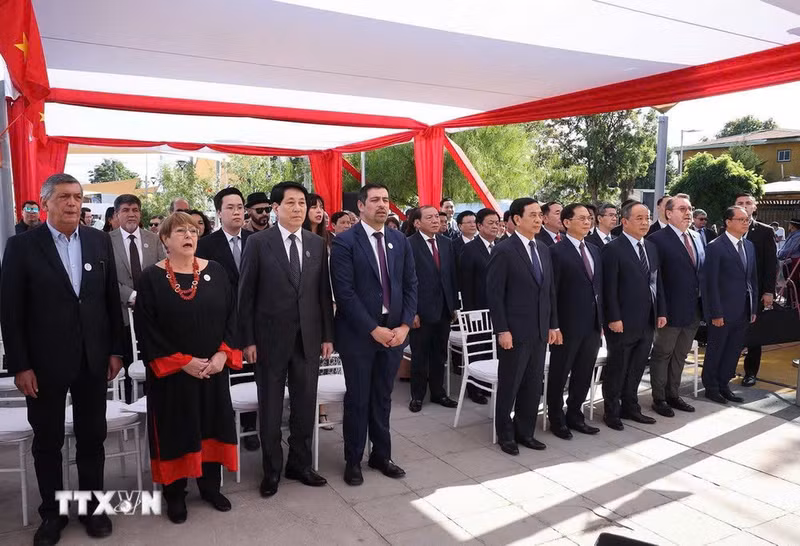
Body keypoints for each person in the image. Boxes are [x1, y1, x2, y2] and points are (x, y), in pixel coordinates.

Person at [0, 174, 125, 544]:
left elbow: (110, 301)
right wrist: (20, 365)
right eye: (64, 197)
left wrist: (116, 350)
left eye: (77, 196)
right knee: (47, 441)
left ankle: (92, 509)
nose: (72, 203)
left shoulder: (98, 241)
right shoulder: (22, 246)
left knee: (92, 437)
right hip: (43, 364)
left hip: (92, 358)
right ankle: (52, 515)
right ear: (45, 203)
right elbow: (11, 311)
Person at [134, 212, 240, 523]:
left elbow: (232, 316)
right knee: (175, 430)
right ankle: (175, 495)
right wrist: (183, 362)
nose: (188, 235)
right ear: (164, 239)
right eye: (180, 231)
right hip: (173, 376)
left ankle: (210, 487)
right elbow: (147, 328)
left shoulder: (216, 271)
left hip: (212, 370)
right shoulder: (151, 278)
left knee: (212, 425)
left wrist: (222, 355)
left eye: (192, 230)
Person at [238, 181, 334, 498]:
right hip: (269, 340)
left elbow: (323, 294)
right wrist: (248, 340)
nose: (298, 208)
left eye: (302, 203)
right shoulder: (258, 243)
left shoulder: (316, 244)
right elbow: (245, 296)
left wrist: (327, 335)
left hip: (308, 338)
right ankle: (272, 470)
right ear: (276, 208)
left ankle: (300, 464)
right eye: (290, 203)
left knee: (305, 405)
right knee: (270, 408)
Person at [330, 183, 417, 486]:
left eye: (386, 200)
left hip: (394, 333)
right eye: (375, 200)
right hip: (359, 334)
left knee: (382, 397)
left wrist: (404, 326)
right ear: (361, 206)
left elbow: (410, 285)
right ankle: (353, 460)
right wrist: (373, 329)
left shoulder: (399, 239)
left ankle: (381, 455)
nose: (382, 205)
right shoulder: (345, 242)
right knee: (358, 398)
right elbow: (344, 292)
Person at [487, 198, 559, 456]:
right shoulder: (504, 250)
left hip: (539, 331)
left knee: (532, 384)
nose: (539, 219)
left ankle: (525, 432)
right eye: (533, 215)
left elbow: (549, 291)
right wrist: (502, 330)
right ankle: (505, 434)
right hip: (514, 332)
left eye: (540, 215)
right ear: (517, 219)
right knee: (510, 384)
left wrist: (553, 325)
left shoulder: (543, 249)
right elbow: (495, 295)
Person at [196, 188, 258, 450]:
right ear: (219, 213)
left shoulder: (258, 240)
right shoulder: (206, 245)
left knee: (253, 374)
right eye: (230, 207)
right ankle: (224, 427)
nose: (237, 212)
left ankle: (250, 426)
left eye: (240, 207)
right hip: (220, 322)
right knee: (226, 375)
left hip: (254, 319)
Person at [601, 201, 666, 431]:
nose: (645, 222)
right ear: (624, 221)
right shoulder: (613, 249)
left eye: (647, 218)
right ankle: (612, 411)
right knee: (617, 368)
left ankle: (631, 406)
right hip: (622, 321)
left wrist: (661, 311)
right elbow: (608, 288)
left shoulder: (651, 247)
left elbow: (656, 283)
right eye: (639, 218)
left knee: (637, 366)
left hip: (647, 320)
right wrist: (613, 317)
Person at [547, 204, 603, 439]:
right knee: (560, 374)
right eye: (581, 218)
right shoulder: (555, 251)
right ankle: (556, 417)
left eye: (589, 218)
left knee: (583, 372)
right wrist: (554, 325)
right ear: (567, 222)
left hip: (592, 325)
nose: (587, 222)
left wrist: (601, 321)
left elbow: (597, 287)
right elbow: (551, 292)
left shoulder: (594, 250)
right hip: (566, 326)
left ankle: (575, 414)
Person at [647, 194, 704, 417]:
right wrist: (660, 310)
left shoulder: (697, 236)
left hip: (693, 310)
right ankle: (659, 398)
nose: (688, 212)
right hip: (669, 310)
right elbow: (656, 279)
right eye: (682, 209)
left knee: (680, 355)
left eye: (690, 208)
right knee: (663, 354)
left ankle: (673, 394)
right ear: (669, 213)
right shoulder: (657, 239)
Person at [110, 194, 166, 402]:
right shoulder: (106, 240)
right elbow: (106, 278)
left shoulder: (153, 239)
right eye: (125, 210)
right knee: (126, 362)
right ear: (116, 215)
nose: (131, 214)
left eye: (135, 210)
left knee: (153, 361)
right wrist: (133, 295)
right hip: (121, 314)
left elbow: (163, 270)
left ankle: (154, 402)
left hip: (152, 313)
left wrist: (148, 297)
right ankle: (128, 403)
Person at [701, 206, 758, 404]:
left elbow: (752, 279)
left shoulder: (749, 245)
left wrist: (753, 308)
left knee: (733, 350)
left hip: (743, 309)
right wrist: (715, 313)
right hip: (722, 311)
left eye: (747, 219)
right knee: (716, 349)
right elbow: (710, 283)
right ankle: (711, 387)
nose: (746, 222)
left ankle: (724, 384)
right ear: (728, 222)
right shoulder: (715, 247)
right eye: (741, 219)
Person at [407, 206, 459, 412]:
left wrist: (453, 306)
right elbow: (406, 281)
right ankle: (417, 396)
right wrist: (411, 311)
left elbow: (451, 276)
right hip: (421, 311)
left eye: (437, 216)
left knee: (440, 354)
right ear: (417, 223)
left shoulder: (446, 243)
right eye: (429, 217)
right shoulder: (409, 244)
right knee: (420, 356)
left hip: (444, 310)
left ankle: (438, 393)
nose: (436, 220)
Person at [734, 193, 777, 387]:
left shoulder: (765, 231)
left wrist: (769, 291)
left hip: (756, 293)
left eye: (747, 203)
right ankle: (727, 368)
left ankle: (751, 372)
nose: (744, 206)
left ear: (754, 207)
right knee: (732, 332)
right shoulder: (727, 229)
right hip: (731, 293)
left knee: (754, 334)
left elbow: (770, 264)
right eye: (740, 203)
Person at [458, 208, 501, 405]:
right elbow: (466, 284)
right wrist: (471, 313)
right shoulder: (470, 249)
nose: (495, 226)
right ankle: (474, 388)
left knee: (494, 348)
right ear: (479, 226)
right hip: (477, 309)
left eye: (497, 223)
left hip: (498, 308)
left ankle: (489, 384)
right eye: (490, 223)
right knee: (479, 347)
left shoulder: (500, 247)